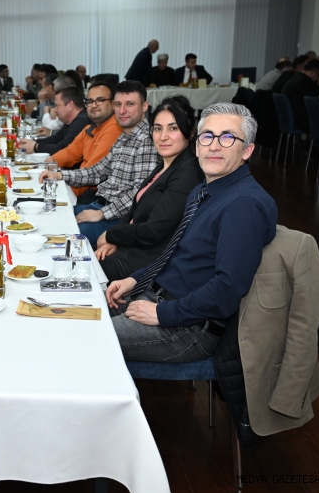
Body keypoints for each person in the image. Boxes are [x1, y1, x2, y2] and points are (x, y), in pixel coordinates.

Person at [105, 103, 277, 362]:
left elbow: (227, 290)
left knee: (82, 338)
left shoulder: (244, 205)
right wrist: (134, 279)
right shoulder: (202, 192)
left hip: (188, 327)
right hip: (159, 298)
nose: (214, 146)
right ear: (197, 147)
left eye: (228, 137)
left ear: (247, 151)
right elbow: (175, 253)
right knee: (73, 314)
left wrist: (162, 313)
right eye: (207, 136)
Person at [94, 97, 204, 280]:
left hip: (147, 262)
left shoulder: (188, 173)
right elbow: (134, 211)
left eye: (173, 128)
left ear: (190, 133)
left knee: (79, 268)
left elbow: (154, 231)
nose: (163, 136)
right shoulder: (165, 165)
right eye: (158, 128)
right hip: (132, 246)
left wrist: (111, 234)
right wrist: (114, 240)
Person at [39, 81, 158, 246]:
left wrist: (101, 214)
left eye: (130, 104)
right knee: (48, 215)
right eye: (118, 104)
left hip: (120, 218)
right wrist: (59, 175)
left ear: (144, 106)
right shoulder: (124, 136)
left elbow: (140, 195)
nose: (122, 111)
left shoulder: (147, 141)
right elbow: (97, 171)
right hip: (101, 206)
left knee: (59, 234)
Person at [44, 81, 123, 198]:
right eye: (90, 101)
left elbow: (91, 173)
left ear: (113, 104)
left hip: (98, 194)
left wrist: (67, 195)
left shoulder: (114, 128)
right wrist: (51, 162)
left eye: (100, 100)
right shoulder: (91, 127)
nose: (94, 105)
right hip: (82, 184)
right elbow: (70, 152)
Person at [20, 85, 90, 155]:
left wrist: (36, 147)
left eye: (57, 106)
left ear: (70, 105)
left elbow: (63, 148)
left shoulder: (81, 121)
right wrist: (32, 143)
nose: (55, 110)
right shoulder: (71, 120)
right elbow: (56, 139)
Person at [280, 58, 319, 132]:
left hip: (290, 117)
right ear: (312, 72)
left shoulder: (296, 77)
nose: (317, 79)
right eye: (318, 76)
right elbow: (312, 101)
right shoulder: (305, 81)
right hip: (299, 120)